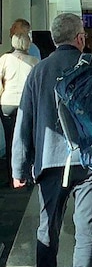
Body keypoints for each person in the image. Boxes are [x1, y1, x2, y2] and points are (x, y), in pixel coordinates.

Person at [12, 13, 92, 267]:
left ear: (55, 40)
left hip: (51, 162)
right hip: (91, 162)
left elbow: (25, 120)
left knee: (48, 226)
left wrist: (19, 165)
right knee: (87, 233)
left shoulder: (39, 70)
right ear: (80, 38)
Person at [0, 33, 39, 185]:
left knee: (11, 140)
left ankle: (12, 177)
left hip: (7, 105)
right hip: (26, 105)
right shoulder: (34, 62)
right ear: (28, 45)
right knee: (27, 139)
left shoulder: (4, 59)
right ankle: (28, 174)